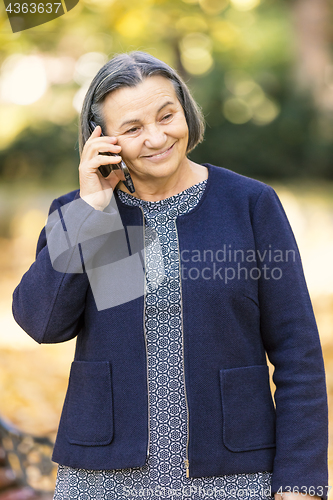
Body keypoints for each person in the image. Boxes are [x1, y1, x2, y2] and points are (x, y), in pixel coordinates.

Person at [12, 51, 328, 500]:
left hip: (231, 475)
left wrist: (301, 484)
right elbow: (43, 324)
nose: (157, 137)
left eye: (167, 115)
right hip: (103, 481)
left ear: (186, 112)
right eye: (133, 128)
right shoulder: (87, 212)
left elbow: (298, 354)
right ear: (101, 140)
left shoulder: (248, 205)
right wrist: (92, 213)